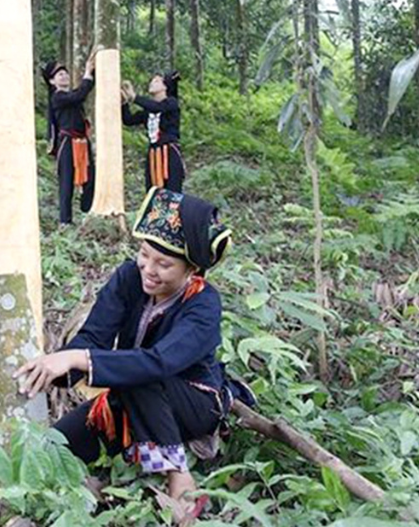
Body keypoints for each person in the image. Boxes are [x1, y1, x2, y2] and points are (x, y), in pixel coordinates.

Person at [14, 187, 251, 522]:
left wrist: (79, 359)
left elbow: (159, 362)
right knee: (55, 446)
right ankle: (83, 490)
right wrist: (57, 366)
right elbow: (94, 336)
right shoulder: (129, 277)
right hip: (132, 397)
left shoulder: (204, 303)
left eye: (164, 264)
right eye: (144, 254)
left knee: (142, 372)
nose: (148, 269)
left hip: (192, 403)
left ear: (191, 270)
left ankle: (180, 481)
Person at [42, 53, 96, 225]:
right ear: (52, 82)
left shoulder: (71, 95)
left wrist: (91, 72)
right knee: (66, 181)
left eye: (65, 73)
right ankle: (65, 221)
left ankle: (87, 213)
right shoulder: (57, 97)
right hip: (67, 143)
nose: (64, 75)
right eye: (59, 74)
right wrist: (87, 73)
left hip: (82, 141)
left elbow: (81, 92)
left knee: (90, 177)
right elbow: (80, 95)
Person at [122, 71, 185, 192]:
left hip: (169, 152)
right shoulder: (148, 111)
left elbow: (157, 108)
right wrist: (124, 102)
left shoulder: (171, 103)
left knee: (171, 190)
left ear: (165, 87)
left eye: (156, 81)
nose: (151, 82)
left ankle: (171, 211)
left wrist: (134, 97)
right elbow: (128, 120)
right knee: (153, 190)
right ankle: (154, 211)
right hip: (153, 153)